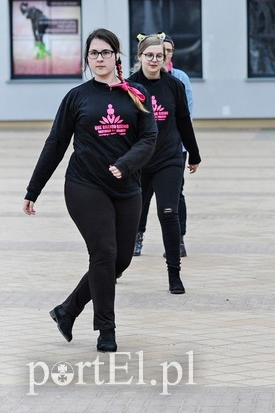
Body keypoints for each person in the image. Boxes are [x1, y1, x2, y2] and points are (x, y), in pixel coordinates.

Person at [23, 28, 157, 352]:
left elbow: (149, 139)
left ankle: (67, 310)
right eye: (94, 53)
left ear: (117, 56)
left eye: (106, 52)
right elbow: (55, 145)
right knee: (104, 253)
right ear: (87, 58)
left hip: (127, 187)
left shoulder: (136, 94)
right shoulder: (77, 97)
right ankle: (106, 330)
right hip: (85, 186)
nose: (100, 58)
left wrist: (125, 164)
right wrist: (33, 190)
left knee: (120, 261)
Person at [128, 34, 201, 294]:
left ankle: (174, 274)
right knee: (131, 216)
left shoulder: (174, 86)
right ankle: (116, 266)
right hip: (138, 162)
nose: (154, 60)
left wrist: (194, 153)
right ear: (140, 57)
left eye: (159, 56)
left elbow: (184, 121)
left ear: (165, 58)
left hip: (169, 158)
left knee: (168, 213)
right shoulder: (129, 86)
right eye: (149, 55)